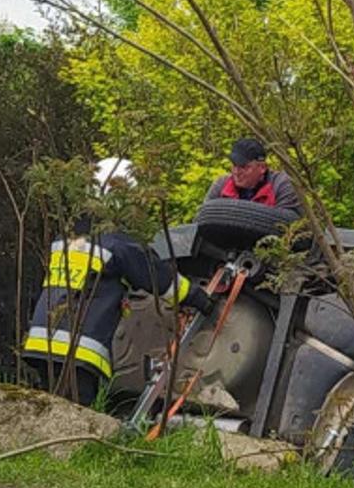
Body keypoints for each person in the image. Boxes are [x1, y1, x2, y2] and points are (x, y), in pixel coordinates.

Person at [23, 157, 216, 406]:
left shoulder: (66, 236)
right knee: (76, 413)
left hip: (41, 342)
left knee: (50, 407)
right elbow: (158, 278)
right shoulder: (117, 242)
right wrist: (199, 299)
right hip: (79, 349)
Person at [200, 137, 303, 217]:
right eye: (234, 165)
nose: (236, 172)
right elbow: (203, 216)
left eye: (244, 167)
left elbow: (290, 223)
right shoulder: (221, 185)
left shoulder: (281, 185)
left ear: (262, 167)